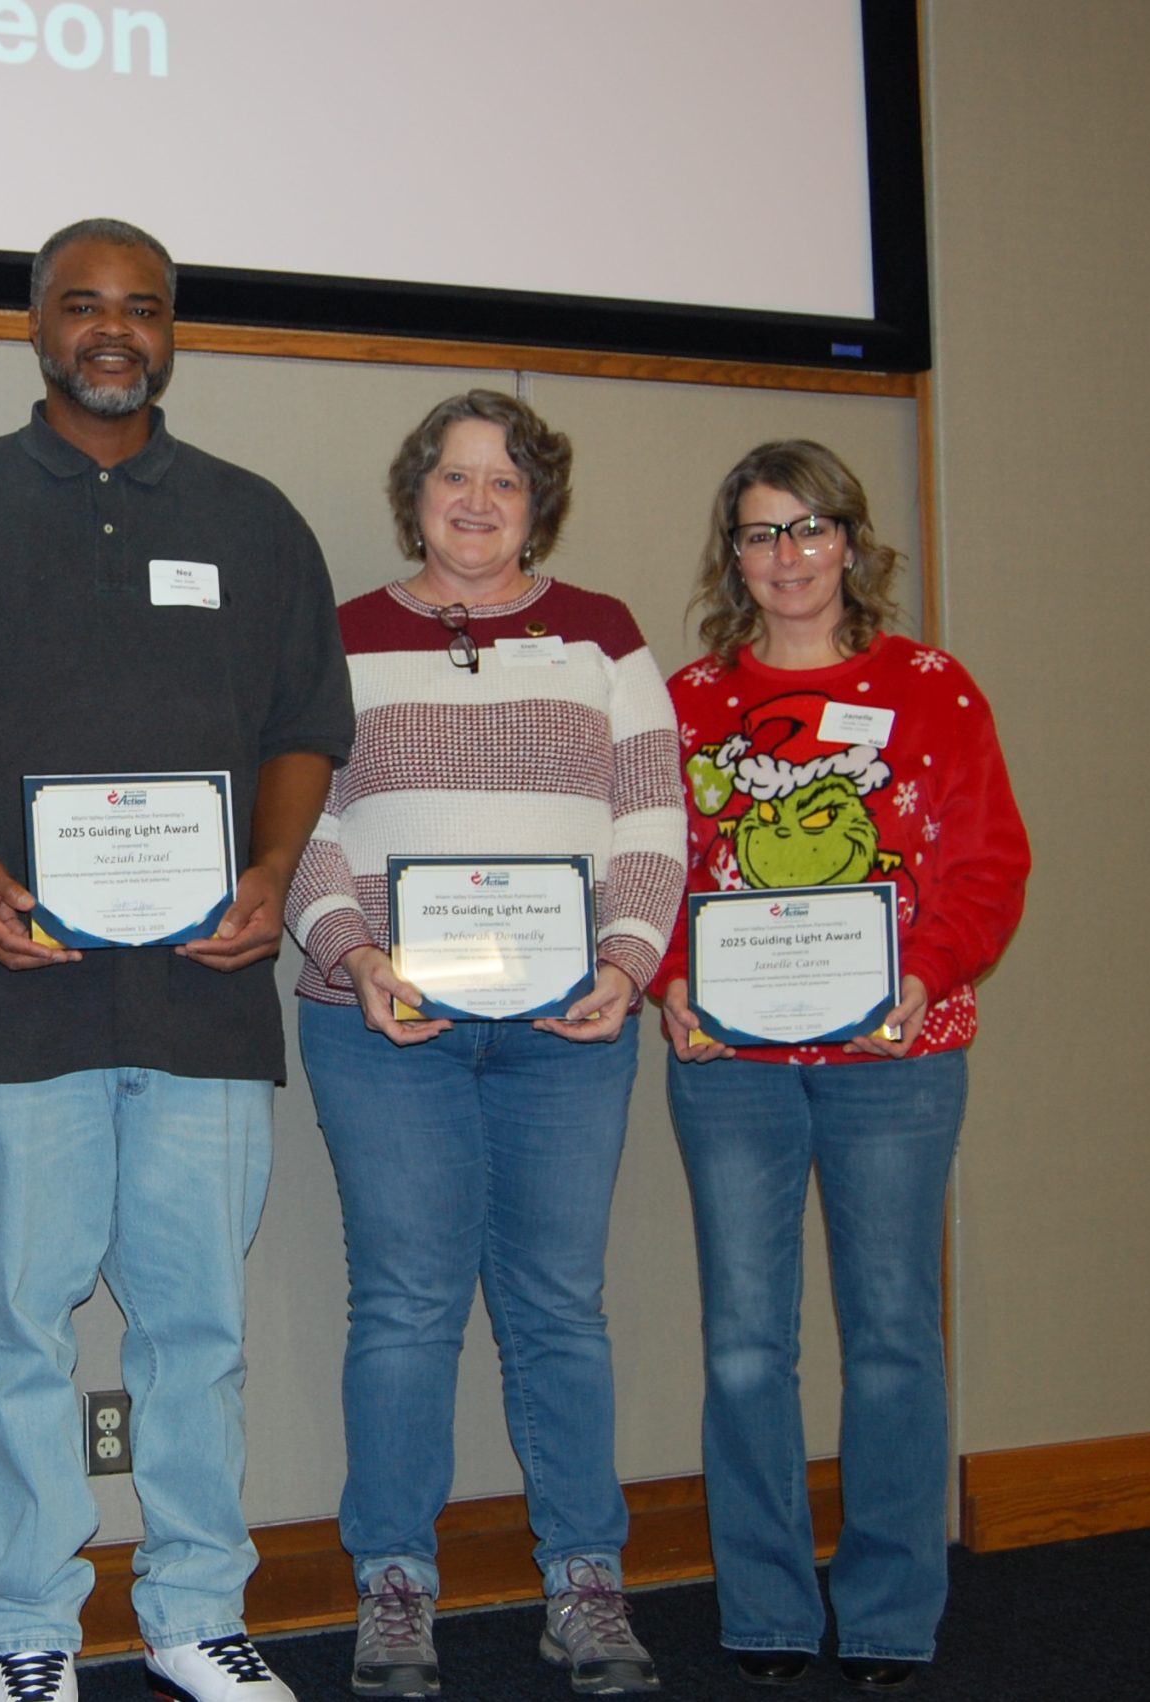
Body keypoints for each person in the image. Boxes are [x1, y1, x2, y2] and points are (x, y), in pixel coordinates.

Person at [0, 218, 354, 1702]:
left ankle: (195, 1610)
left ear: (172, 331)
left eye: (142, 308)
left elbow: (308, 727)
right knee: (13, 1332)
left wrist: (267, 871)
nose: (113, 330)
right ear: (39, 326)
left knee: (198, 1329)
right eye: (84, 306)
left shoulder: (256, 521)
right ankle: (28, 1631)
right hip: (10, 1002)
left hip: (203, 998)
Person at [284, 389, 685, 1697]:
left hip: (568, 1027)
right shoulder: (339, 636)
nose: (476, 501)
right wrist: (354, 948)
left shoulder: (605, 635)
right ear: (416, 494)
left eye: (505, 483)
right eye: (454, 477)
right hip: (387, 1023)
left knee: (560, 1308)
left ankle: (586, 1582)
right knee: (404, 1305)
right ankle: (395, 1587)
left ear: (538, 504)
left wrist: (627, 962)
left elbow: (650, 814)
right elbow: (308, 824)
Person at [652, 441, 1028, 1694]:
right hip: (733, 1067)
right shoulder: (689, 699)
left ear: (851, 545)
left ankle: (886, 1610)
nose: (789, 555)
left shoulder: (932, 688)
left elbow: (986, 868)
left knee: (891, 1340)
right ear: (734, 558)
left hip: (895, 1055)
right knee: (746, 1343)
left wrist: (921, 970)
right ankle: (763, 1603)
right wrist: (670, 983)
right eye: (761, 534)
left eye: (811, 529)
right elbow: (651, 870)